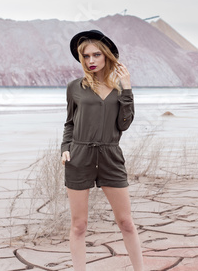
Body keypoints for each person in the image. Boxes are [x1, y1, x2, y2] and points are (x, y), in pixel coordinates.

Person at [60, 30, 144, 271]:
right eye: (85, 56)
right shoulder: (74, 87)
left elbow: (124, 124)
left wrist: (127, 88)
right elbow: (70, 123)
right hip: (79, 157)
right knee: (79, 225)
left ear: (107, 56)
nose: (91, 60)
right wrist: (65, 148)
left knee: (126, 222)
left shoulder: (119, 88)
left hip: (111, 156)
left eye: (96, 54)